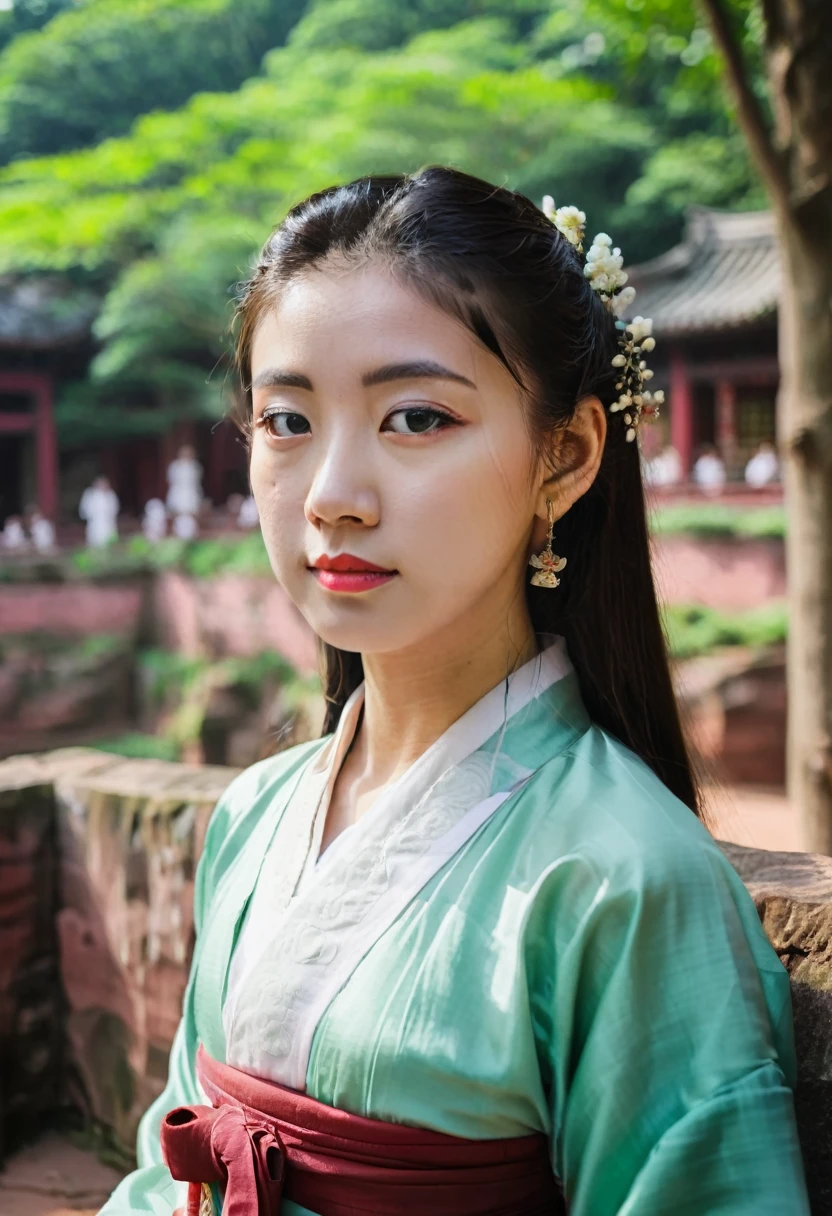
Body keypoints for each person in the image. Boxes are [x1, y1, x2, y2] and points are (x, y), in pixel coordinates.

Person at [102, 170, 809, 1216]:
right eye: (285, 419)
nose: (333, 495)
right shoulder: (254, 814)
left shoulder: (626, 881)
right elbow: (171, 1176)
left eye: (417, 416)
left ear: (561, 457)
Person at [78, 475, 119, 547]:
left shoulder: (110, 494)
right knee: (95, 540)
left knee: (108, 540)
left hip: (108, 522)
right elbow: (85, 508)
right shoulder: (90, 494)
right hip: (95, 523)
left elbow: (114, 508)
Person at [166, 444, 203, 518]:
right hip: (177, 493)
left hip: (192, 494)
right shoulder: (175, 466)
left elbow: (197, 481)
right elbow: (170, 479)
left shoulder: (196, 466)